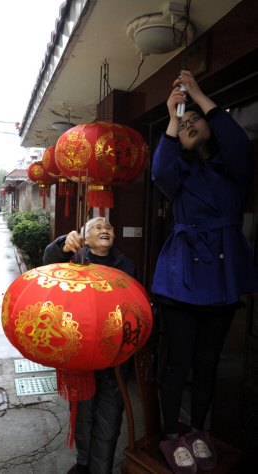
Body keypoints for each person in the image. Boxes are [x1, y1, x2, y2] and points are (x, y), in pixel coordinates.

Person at [151, 70, 258, 474]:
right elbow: (160, 170)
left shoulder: (235, 174)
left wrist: (196, 94)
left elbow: (235, 142)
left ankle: (198, 432)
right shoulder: (178, 178)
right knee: (178, 364)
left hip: (223, 275)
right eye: (185, 122)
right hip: (182, 276)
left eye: (197, 120)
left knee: (207, 364)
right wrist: (171, 115)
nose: (191, 124)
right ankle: (170, 436)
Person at [43, 216, 137, 474]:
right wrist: (64, 243)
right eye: (97, 227)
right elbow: (48, 263)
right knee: (82, 415)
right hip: (80, 357)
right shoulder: (73, 260)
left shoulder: (126, 265)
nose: (104, 230)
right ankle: (84, 464)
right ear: (84, 237)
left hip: (115, 357)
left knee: (110, 418)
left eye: (108, 227)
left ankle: (101, 469)